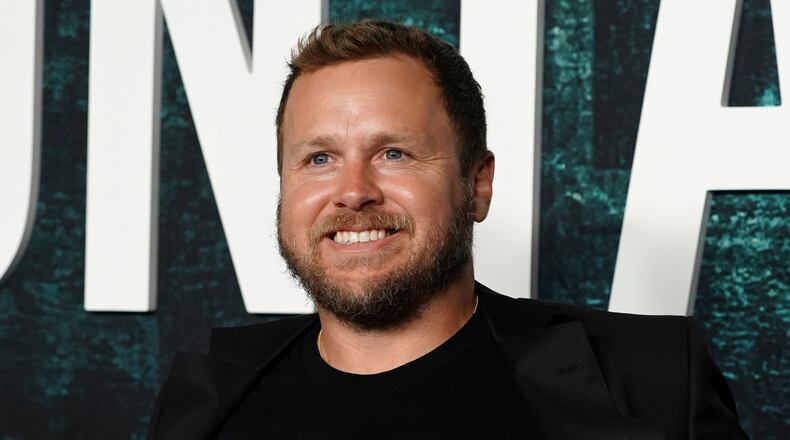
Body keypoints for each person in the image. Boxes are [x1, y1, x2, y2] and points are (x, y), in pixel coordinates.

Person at [147, 20, 748, 439]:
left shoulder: (648, 378)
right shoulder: (204, 400)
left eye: (395, 153)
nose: (353, 192)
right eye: (319, 159)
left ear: (477, 182)